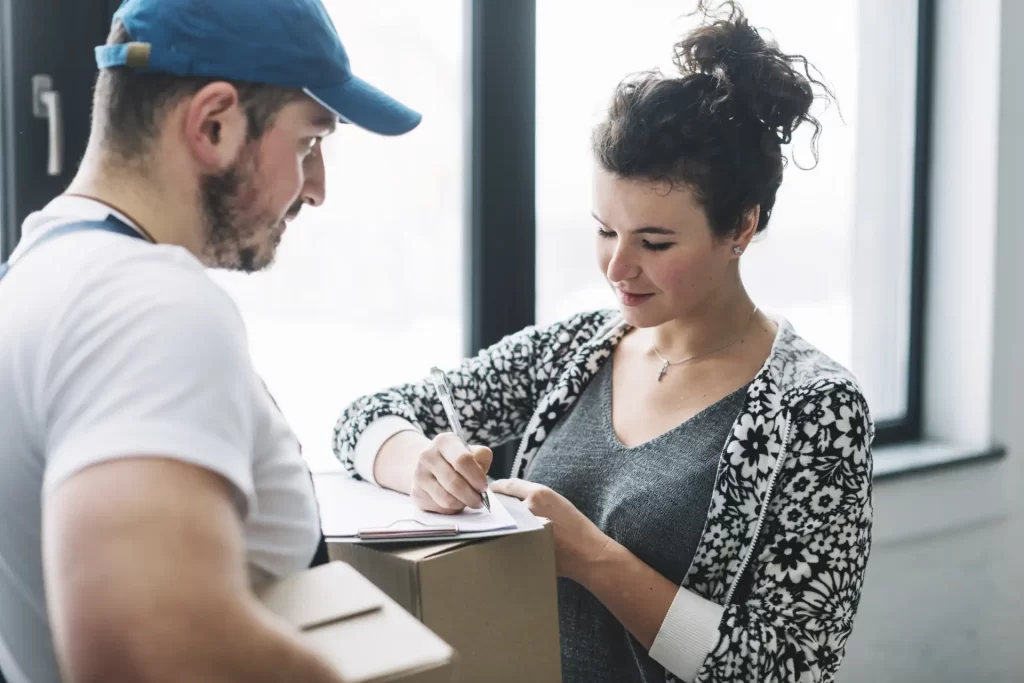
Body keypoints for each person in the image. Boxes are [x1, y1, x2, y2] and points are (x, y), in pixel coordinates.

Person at [333, 3, 874, 682]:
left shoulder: (815, 409)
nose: (617, 268)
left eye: (654, 242)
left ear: (741, 225)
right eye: (604, 230)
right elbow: (365, 417)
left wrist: (590, 557)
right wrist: (418, 461)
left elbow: (792, 666)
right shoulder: (577, 351)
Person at [0, 0, 423, 681]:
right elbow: (146, 642)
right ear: (213, 123)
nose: (315, 189)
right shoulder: (147, 302)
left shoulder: (38, 273)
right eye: (310, 143)